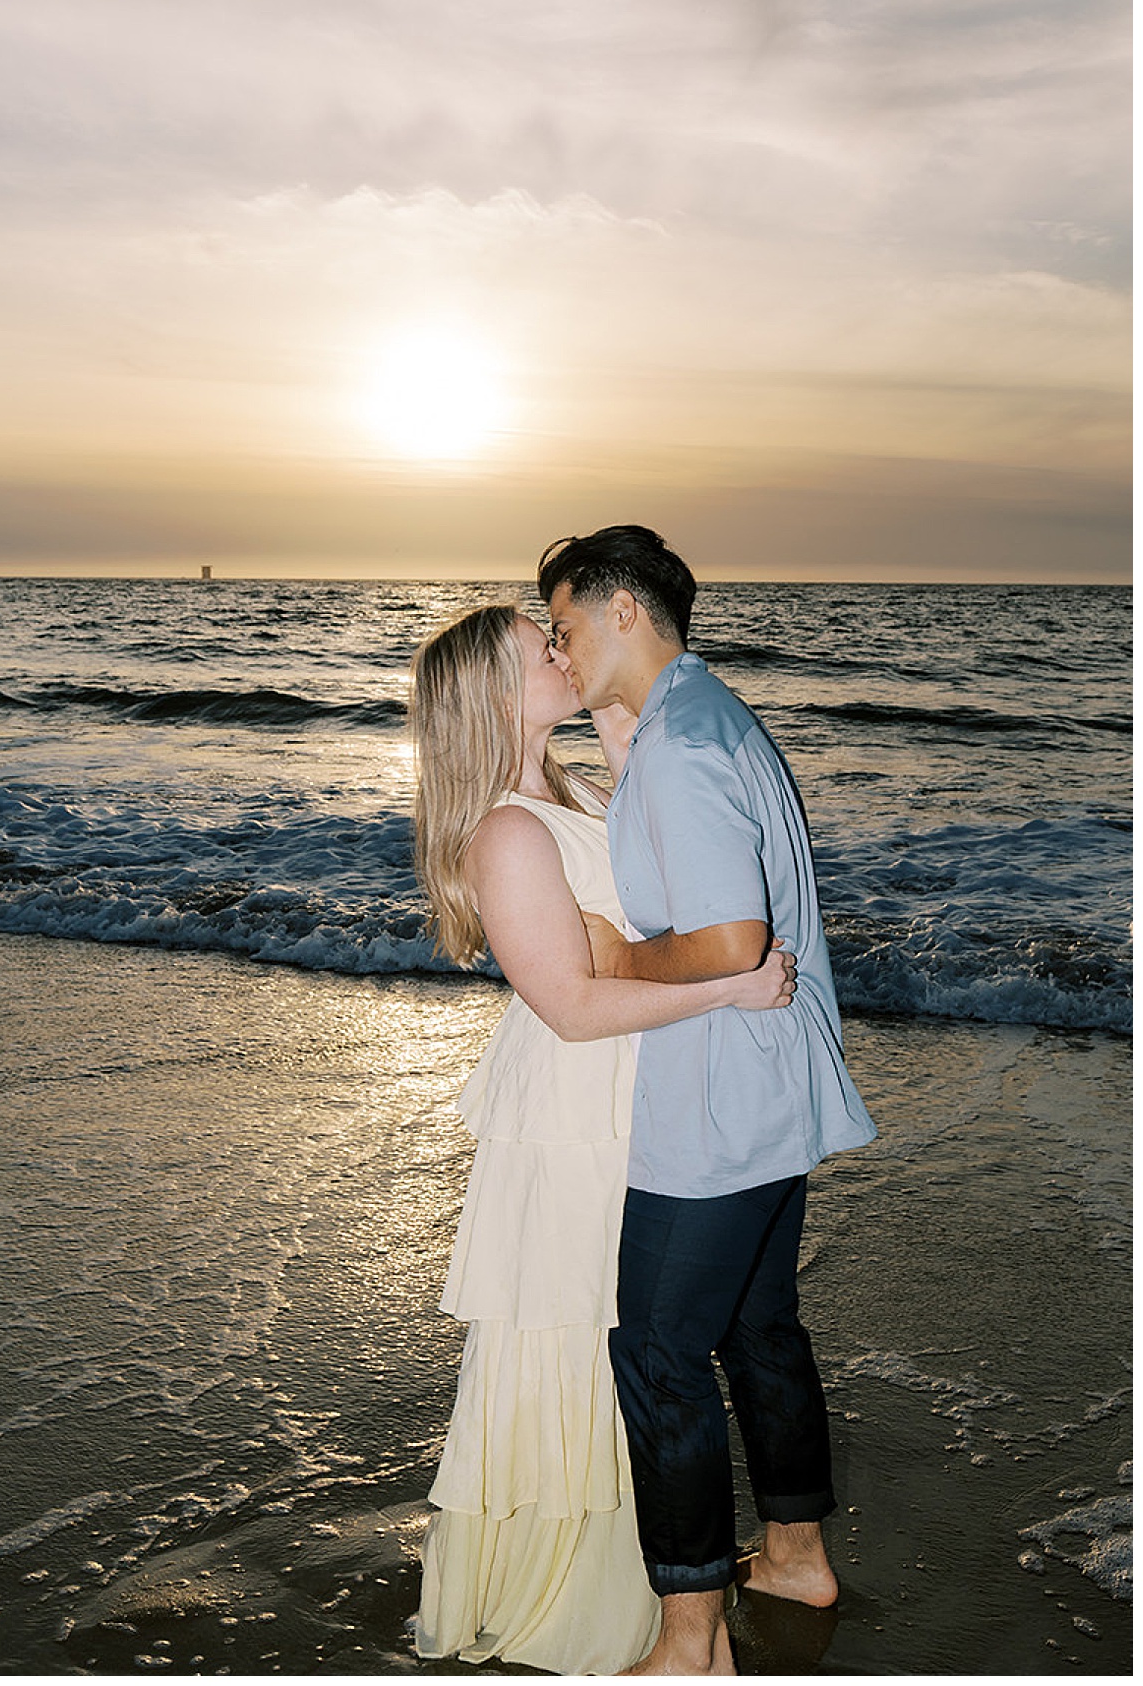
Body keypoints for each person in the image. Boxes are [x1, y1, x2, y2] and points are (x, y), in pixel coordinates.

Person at [408, 603, 797, 1676]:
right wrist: (733, 985)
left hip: (627, 1093)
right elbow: (573, 1005)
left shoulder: (568, 790)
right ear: (494, 695)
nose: (555, 645)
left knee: (629, 1334)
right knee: (588, 1331)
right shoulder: (505, 830)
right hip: (576, 1109)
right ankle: (598, 1602)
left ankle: (671, 1589)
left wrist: (625, 745)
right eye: (536, 648)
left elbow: (648, 911)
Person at [539, 526, 878, 1677]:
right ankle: (793, 1554)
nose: (557, 641)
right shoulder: (705, 714)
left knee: (658, 1351)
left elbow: (731, 939)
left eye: (567, 620)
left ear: (624, 608)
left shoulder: (682, 744)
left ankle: (690, 1640)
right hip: (774, 1083)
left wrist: (608, 960)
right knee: (755, 1324)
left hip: (721, 1106)